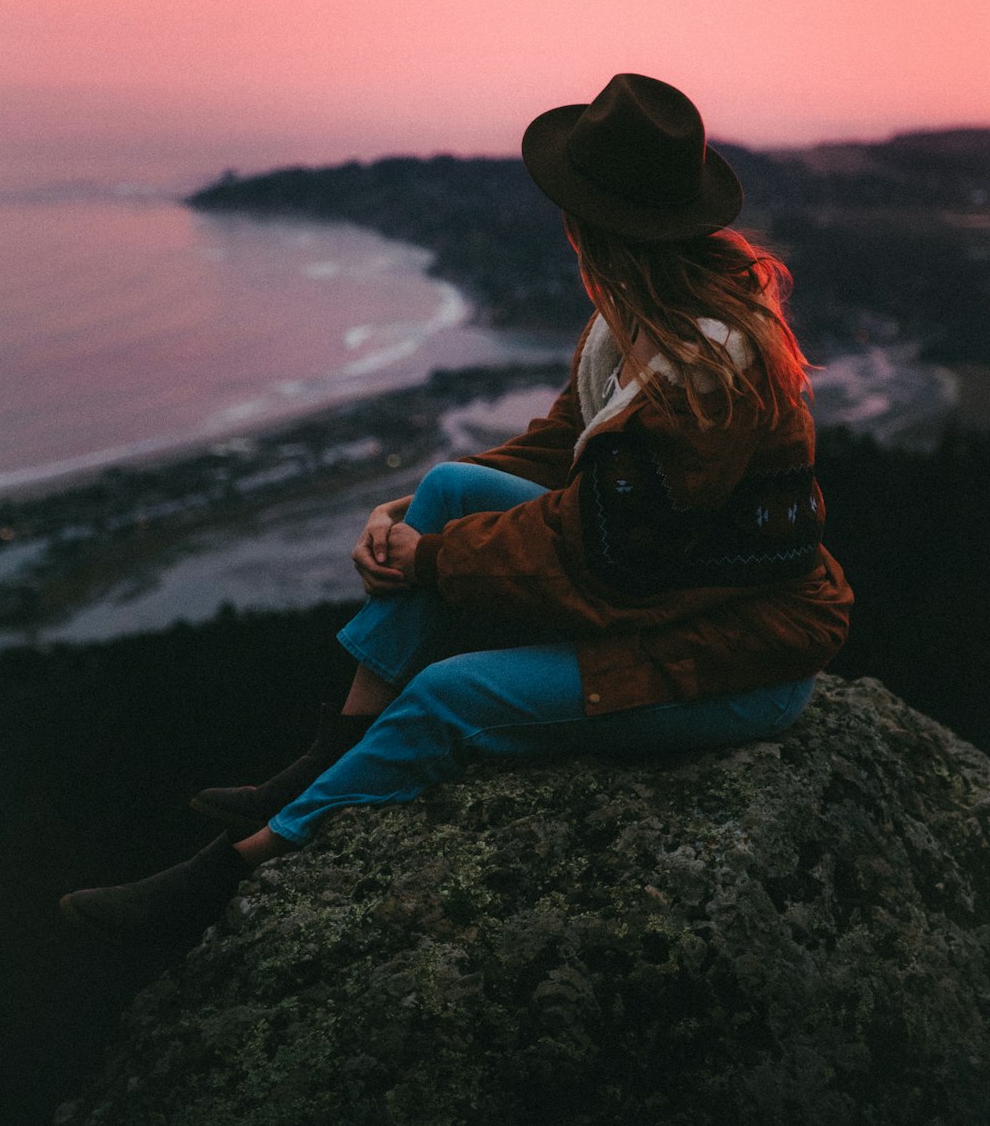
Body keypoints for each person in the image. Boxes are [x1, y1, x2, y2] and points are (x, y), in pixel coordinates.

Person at [60, 73, 853, 942]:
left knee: (449, 696)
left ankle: (236, 868)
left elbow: (602, 550)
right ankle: (330, 755)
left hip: (737, 656)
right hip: (678, 596)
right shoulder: (640, 321)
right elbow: (561, 453)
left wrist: (432, 560)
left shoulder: (707, 373)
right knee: (446, 486)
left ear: (583, 224)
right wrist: (409, 512)